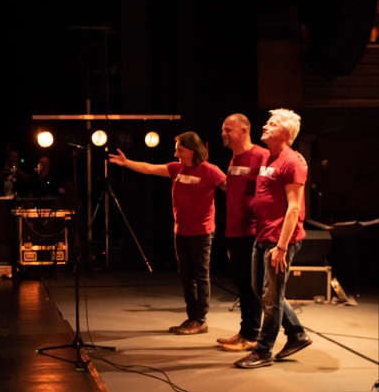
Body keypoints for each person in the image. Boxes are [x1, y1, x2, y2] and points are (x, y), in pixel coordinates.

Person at [108, 132, 226, 335]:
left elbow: (231, 188)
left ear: (192, 150)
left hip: (202, 233)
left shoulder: (209, 170)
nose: (176, 154)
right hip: (181, 231)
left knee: (200, 276)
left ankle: (200, 319)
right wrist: (126, 163)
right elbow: (149, 168)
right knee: (186, 277)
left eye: (180, 150)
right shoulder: (176, 168)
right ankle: (192, 317)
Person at [234, 109, 312, 369]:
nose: (265, 126)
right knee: (261, 290)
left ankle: (263, 350)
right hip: (263, 234)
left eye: (272, 124)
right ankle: (297, 334)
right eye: (267, 122)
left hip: (279, 240)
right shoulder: (268, 156)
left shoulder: (292, 162)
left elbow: (294, 208)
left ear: (286, 134)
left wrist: (281, 247)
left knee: (272, 298)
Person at [216, 113, 269, 352]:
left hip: (251, 231)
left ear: (244, 131)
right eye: (223, 129)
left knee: (251, 286)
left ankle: (251, 335)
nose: (223, 133)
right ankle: (244, 331)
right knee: (241, 283)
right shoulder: (235, 158)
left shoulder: (261, 155)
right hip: (234, 230)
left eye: (228, 130)